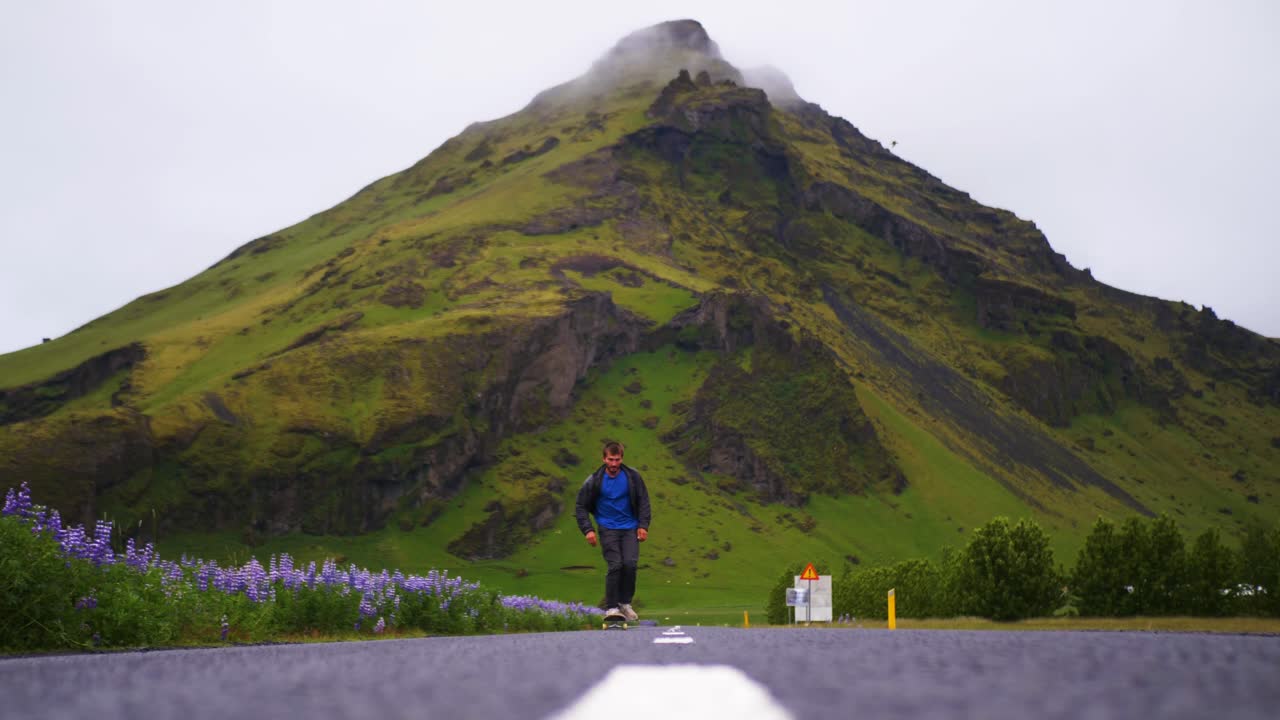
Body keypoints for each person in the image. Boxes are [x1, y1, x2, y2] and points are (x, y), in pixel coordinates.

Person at [575, 441, 651, 621]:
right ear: (604, 459)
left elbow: (644, 501)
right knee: (615, 565)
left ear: (621, 459)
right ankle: (611, 608)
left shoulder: (632, 477)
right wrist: (588, 530)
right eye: (610, 459)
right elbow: (580, 506)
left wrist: (643, 525)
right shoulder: (594, 480)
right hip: (607, 527)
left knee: (630, 564)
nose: (614, 464)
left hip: (629, 527)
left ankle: (625, 603)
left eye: (617, 460)